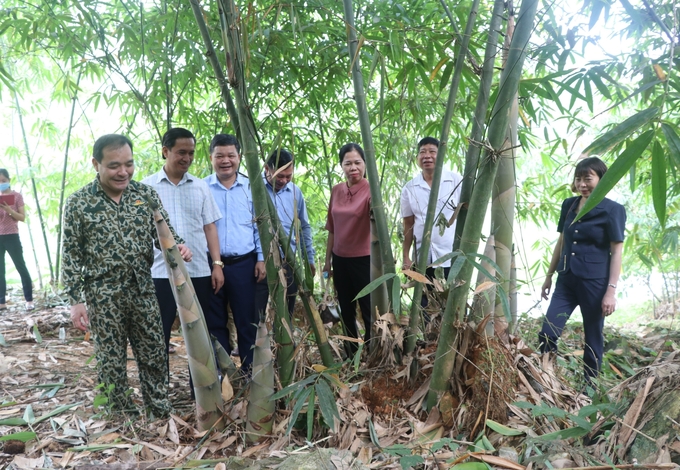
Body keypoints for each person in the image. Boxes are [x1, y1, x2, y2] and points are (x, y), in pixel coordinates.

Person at [61, 134, 192, 417]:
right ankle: (121, 416)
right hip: (103, 292)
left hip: (143, 288)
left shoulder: (145, 196)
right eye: (114, 165)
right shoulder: (78, 203)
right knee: (111, 359)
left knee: (154, 353)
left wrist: (178, 246)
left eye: (129, 164)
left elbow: (165, 234)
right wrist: (76, 301)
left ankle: (158, 410)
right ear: (96, 164)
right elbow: (70, 256)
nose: (123, 172)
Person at [141, 128, 226, 363]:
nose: (187, 158)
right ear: (165, 151)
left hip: (197, 269)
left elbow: (210, 227)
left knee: (200, 333)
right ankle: (159, 394)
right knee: (159, 333)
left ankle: (201, 394)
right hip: (160, 272)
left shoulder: (200, 187)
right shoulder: (145, 188)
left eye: (191, 153)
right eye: (181, 152)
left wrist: (217, 265)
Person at [539, 157, 626, 381]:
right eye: (578, 179)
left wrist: (611, 291)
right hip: (566, 280)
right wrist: (549, 276)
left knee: (593, 340)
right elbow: (561, 242)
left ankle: (588, 391)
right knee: (547, 333)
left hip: (595, 284)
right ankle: (550, 383)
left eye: (588, 178)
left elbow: (617, 251)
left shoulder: (613, 210)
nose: (582, 184)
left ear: (602, 179)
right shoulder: (568, 205)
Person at [205, 134, 265, 371]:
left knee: (247, 320)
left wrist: (261, 258)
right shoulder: (203, 187)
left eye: (231, 155)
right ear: (211, 158)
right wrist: (212, 264)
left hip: (245, 264)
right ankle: (222, 372)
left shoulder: (252, 187)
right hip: (211, 264)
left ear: (240, 157)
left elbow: (260, 226)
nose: (225, 161)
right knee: (215, 321)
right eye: (219, 156)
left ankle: (250, 373)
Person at [401, 137, 462, 305]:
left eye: (432, 152)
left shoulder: (455, 181)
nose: (427, 156)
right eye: (422, 152)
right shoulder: (410, 188)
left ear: (441, 155)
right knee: (426, 305)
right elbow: (408, 224)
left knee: (450, 306)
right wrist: (406, 256)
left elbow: (468, 213)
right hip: (423, 258)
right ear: (417, 158)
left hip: (451, 255)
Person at [323, 143, 371, 354]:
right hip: (340, 258)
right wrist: (327, 261)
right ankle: (351, 351)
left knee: (369, 308)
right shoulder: (336, 190)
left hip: (365, 258)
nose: (353, 167)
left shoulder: (372, 190)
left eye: (357, 162)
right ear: (341, 165)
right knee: (346, 308)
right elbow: (332, 229)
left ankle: (373, 351)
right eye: (348, 163)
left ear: (365, 164)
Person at [255, 149, 315, 318]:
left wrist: (308, 258)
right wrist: (260, 257)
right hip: (261, 261)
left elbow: (303, 227)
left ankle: (285, 343)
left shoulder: (295, 192)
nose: (284, 181)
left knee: (286, 311)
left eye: (288, 176)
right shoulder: (254, 189)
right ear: (267, 168)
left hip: (288, 259)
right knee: (257, 312)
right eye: (280, 176)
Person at [0, 169, 33, 311]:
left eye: (3, 181)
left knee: (21, 266)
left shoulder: (17, 196)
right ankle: (1, 302)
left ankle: (29, 299)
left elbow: (22, 217)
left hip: (12, 235)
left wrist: (9, 210)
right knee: (0, 270)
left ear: (9, 179)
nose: (1, 184)